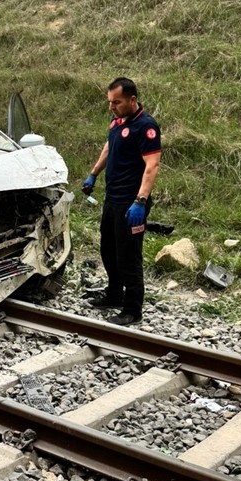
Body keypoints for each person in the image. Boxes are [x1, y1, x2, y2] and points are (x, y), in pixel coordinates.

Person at [81, 78, 162, 326]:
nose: (111, 107)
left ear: (132, 100)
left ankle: (132, 309)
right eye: (109, 102)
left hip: (131, 203)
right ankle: (114, 294)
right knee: (109, 250)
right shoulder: (117, 122)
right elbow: (109, 148)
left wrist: (140, 201)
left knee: (129, 256)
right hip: (112, 199)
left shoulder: (146, 127)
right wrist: (93, 174)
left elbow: (152, 166)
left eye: (116, 102)